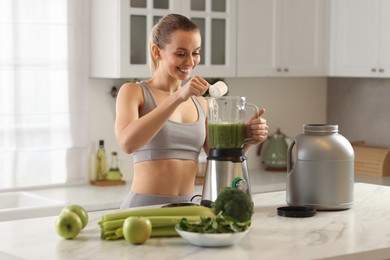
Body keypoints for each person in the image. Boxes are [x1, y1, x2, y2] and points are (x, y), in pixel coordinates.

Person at [115, 13, 268, 208]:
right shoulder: (133, 92)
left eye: (195, 52)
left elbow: (220, 160)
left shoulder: (201, 103)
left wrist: (247, 138)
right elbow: (128, 144)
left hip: (187, 208)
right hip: (143, 209)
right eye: (180, 53)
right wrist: (178, 97)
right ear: (157, 51)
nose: (189, 61)